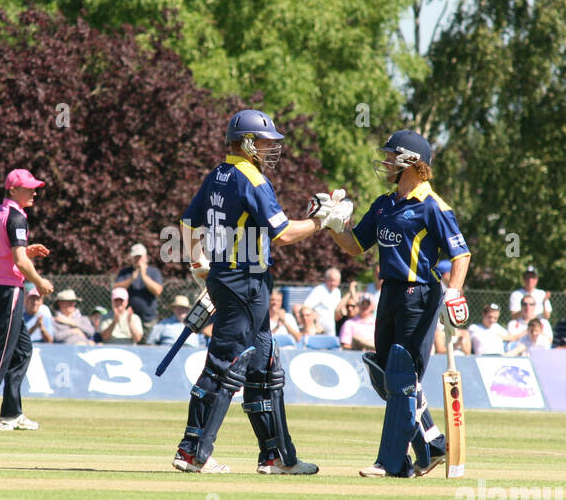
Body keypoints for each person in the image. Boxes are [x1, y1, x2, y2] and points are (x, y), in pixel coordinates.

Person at [173, 108, 340, 475]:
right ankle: (192, 450)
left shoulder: (217, 174)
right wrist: (320, 222)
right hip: (246, 282)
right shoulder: (253, 179)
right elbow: (284, 234)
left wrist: (200, 266)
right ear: (247, 143)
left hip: (230, 278)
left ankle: (277, 457)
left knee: (265, 367)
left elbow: (188, 223)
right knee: (226, 364)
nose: (270, 149)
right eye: (265, 142)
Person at [328, 128, 471, 478]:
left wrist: (454, 291)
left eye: (393, 155)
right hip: (389, 292)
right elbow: (354, 245)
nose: (387, 161)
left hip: (420, 295)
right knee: (385, 374)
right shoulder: (384, 204)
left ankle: (390, 463)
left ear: (411, 161)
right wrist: (332, 224)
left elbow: (461, 253)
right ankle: (431, 445)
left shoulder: (432, 206)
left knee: (402, 377)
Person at [0, 168, 54, 432]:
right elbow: (19, 261)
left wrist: (26, 251)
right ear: (13, 190)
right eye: (28, 188)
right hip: (8, 290)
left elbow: (1, 251)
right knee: (2, 352)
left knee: (22, 350)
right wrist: (39, 282)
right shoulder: (17, 217)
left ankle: (11, 412)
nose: (34, 192)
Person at [115, 243, 164, 336]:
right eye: (135, 257)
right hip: (130, 319)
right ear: (131, 258)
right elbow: (116, 289)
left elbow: (158, 291)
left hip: (148, 320)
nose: (138, 259)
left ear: (146, 257)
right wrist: (131, 279)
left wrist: (144, 276)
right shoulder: (125, 273)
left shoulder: (154, 272)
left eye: (140, 256)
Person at [300, 268, 344, 337]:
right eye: (331, 280)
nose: (333, 283)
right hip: (318, 331)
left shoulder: (337, 292)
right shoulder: (319, 290)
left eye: (335, 281)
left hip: (331, 330)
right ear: (326, 279)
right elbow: (306, 307)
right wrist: (315, 322)